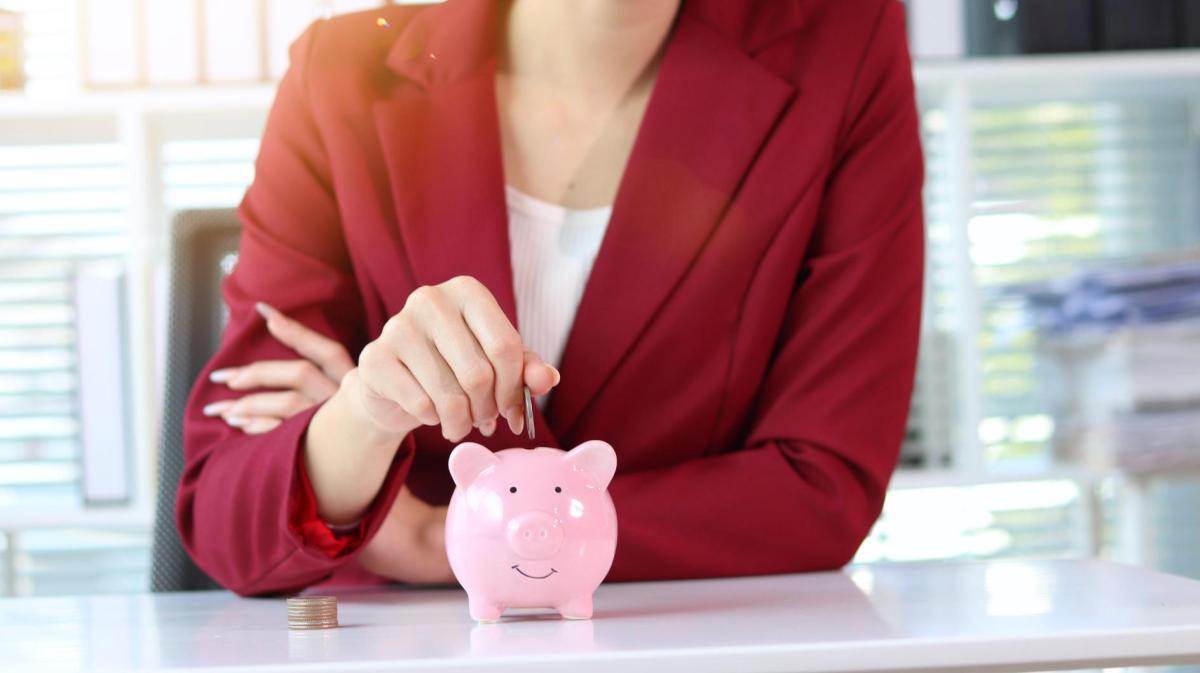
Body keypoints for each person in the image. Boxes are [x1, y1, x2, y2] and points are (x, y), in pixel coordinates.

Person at [177, 0, 925, 596]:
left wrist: (450, 539)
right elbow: (226, 517)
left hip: (686, 644)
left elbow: (824, 487)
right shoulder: (341, 75)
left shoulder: (842, 43)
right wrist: (364, 414)